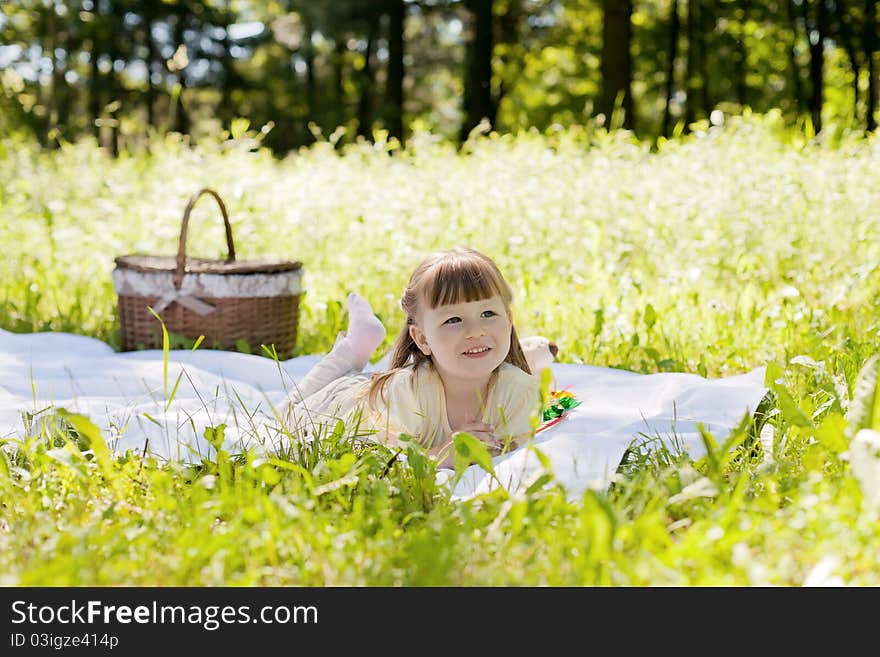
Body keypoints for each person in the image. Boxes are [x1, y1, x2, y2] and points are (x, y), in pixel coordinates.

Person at [281, 246, 546, 468]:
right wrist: (444, 453)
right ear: (422, 339)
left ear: (509, 322)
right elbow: (378, 459)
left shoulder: (521, 392)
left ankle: (359, 346)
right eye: (454, 319)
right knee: (285, 414)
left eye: (488, 314)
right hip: (335, 407)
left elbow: (510, 454)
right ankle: (352, 349)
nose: (475, 331)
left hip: (377, 388)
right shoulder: (407, 395)